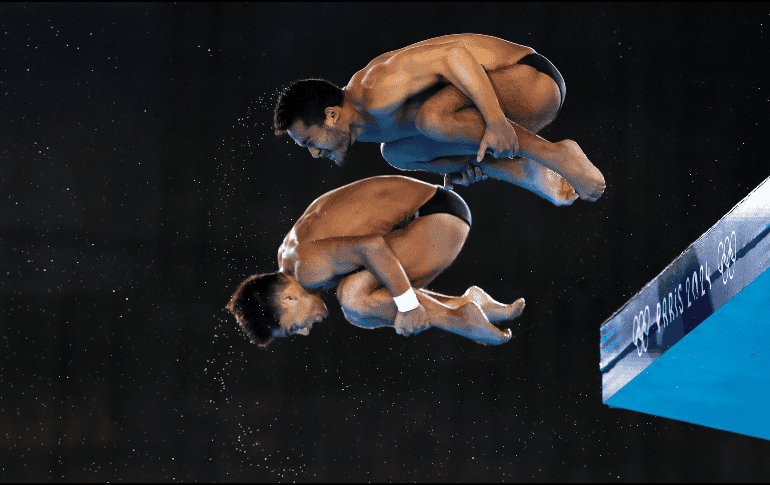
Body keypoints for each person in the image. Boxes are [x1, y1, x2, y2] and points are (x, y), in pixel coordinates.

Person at [273, 33, 604, 205]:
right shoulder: (367, 130)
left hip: (531, 79)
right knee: (397, 155)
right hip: (505, 113)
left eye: (309, 142)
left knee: (432, 119)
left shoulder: (374, 88)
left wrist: (495, 120)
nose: (314, 153)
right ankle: (522, 172)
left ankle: (555, 154)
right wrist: (458, 164)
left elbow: (454, 55)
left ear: (332, 115)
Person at [226, 175, 526, 347]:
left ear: (289, 298)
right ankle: (466, 304)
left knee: (354, 301)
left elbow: (372, 247)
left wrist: (409, 308)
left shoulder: (308, 269)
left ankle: (460, 318)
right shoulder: (290, 258)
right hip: (432, 211)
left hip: (438, 217)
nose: (305, 331)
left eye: (294, 328)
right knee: (357, 300)